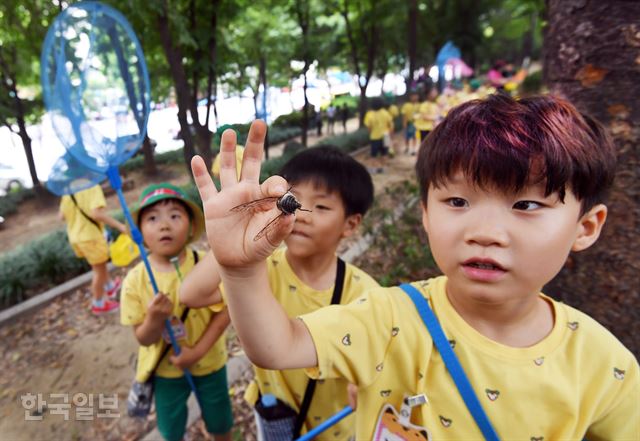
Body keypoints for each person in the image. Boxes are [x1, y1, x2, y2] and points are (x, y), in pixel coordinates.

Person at [189, 96, 639, 440]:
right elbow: (279, 346)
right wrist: (242, 271)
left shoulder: (606, 367)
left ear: (586, 226)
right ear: (425, 213)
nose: (484, 231)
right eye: (457, 201)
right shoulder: (388, 316)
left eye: (526, 204)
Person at [181, 145, 379, 441]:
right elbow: (191, 294)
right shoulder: (259, 270)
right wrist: (232, 251)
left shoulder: (364, 295)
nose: (304, 214)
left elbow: (377, 363)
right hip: (275, 416)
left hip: (334, 430)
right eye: (294, 199)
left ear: (350, 224)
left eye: (322, 207)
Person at [120, 183, 232, 441]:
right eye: (152, 218)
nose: (164, 225)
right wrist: (155, 319)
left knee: (220, 421)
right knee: (171, 430)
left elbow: (226, 311)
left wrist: (198, 351)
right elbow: (143, 338)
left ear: (191, 225)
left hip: (210, 364)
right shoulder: (135, 281)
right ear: (139, 232)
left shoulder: (206, 265)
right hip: (166, 372)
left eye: (175, 215)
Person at [59, 184, 127, 315]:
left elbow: (61, 216)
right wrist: (119, 226)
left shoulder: (67, 190)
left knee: (99, 265)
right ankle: (98, 303)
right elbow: (96, 213)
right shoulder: (91, 185)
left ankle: (110, 286)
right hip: (90, 236)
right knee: (98, 270)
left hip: (76, 237)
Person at [363, 98, 394, 173]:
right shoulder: (385, 112)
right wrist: (390, 134)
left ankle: (374, 169)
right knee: (384, 153)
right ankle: (384, 168)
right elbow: (391, 125)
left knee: (373, 154)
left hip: (374, 137)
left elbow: (369, 127)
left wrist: (371, 133)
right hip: (385, 136)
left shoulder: (369, 114)